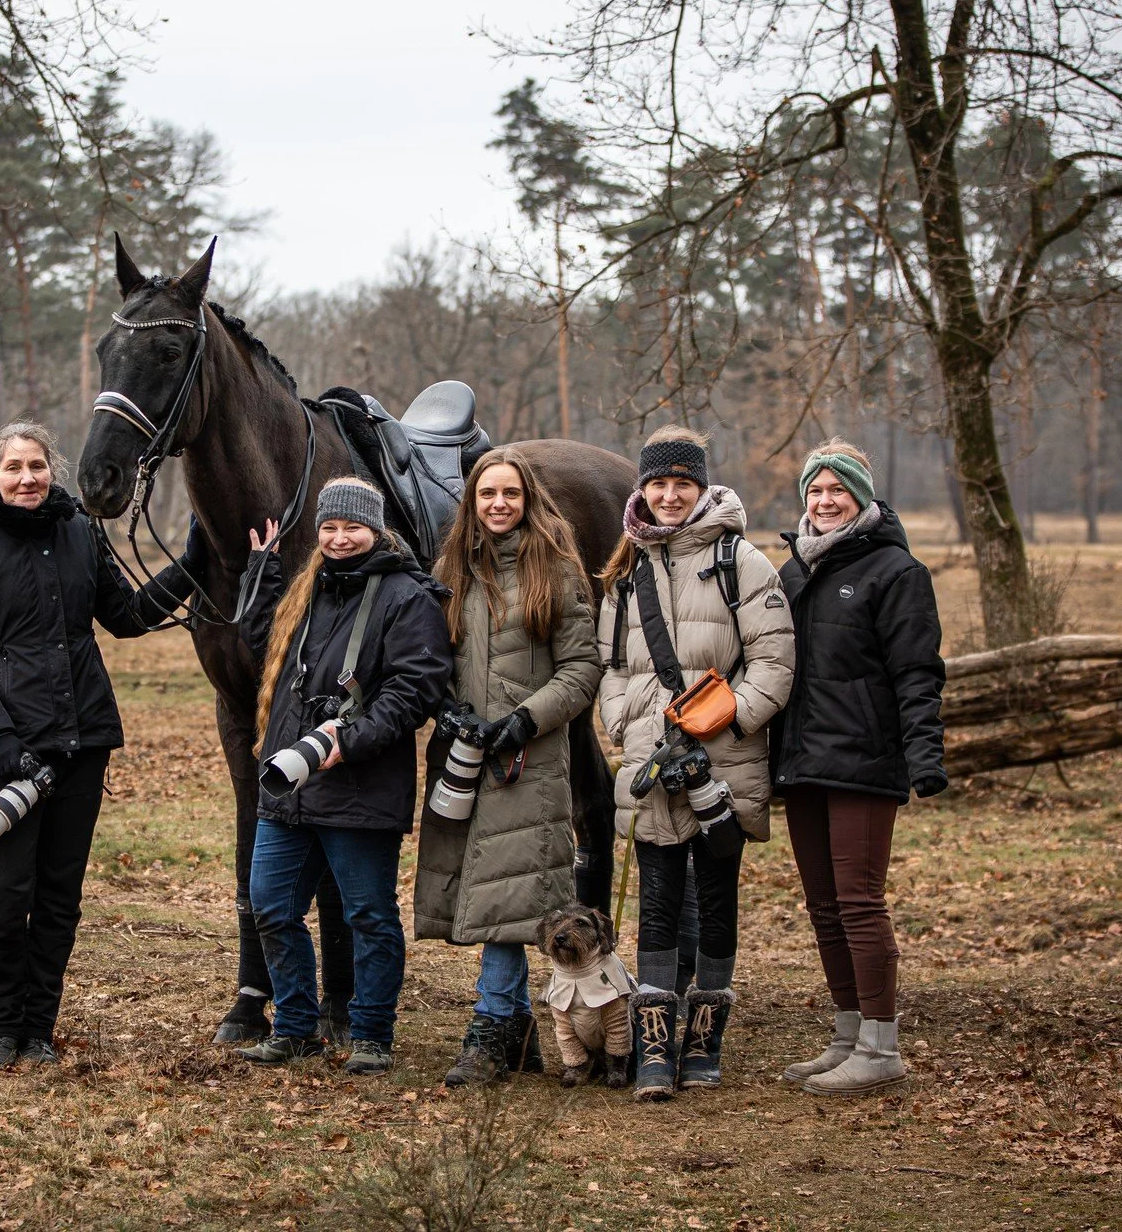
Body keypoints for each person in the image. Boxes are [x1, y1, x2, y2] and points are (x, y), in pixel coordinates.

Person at [0, 422, 201, 1069]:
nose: (27, 477)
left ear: (53, 468)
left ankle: (38, 1028)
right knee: (4, 889)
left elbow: (127, 616)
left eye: (38, 465)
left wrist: (196, 563)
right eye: (14, 466)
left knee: (60, 893)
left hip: (84, 739)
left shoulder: (80, 530)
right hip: (9, 749)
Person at [597, 426, 794, 1099]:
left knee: (714, 899)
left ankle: (703, 1041)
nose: (671, 494)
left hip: (725, 763)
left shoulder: (745, 563)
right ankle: (654, 1047)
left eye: (683, 483)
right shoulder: (625, 570)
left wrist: (727, 718)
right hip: (652, 760)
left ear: (702, 486)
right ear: (643, 490)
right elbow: (611, 665)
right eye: (659, 483)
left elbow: (774, 661)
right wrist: (625, 717)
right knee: (655, 901)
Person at [236, 476, 453, 1076]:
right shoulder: (307, 591)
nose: (338, 538)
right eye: (328, 527)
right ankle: (298, 1027)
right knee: (271, 907)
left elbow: (417, 687)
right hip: (289, 785)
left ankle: (372, 1034)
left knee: (368, 915)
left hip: (360, 784)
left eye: (352, 527)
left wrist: (348, 743)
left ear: (376, 530)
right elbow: (262, 650)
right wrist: (262, 574)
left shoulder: (408, 596)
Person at [415, 448, 602, 1085]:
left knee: (507, 896)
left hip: (527, 761)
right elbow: (431, 656)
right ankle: (514, 1026)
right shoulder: (451, 569)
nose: (499, 505)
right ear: (472, 502)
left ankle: (492, 1028)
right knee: (493, 893)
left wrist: (525, 718)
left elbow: (582, 671)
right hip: (466, 760)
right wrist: (445, 710)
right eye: (488, 494)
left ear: (529, 501)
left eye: (511, 495)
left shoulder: (557, 569)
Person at [770, 439, 946, 1096]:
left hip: (865, 762)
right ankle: (846, 1034)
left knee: (859, 902)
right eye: (815, 491)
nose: (824, 501)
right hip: (805, 762)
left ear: (862, 495)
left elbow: (917, 673)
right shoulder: (794, 574)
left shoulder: (896, 572)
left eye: (836, 490)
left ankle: (881, 1043)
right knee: (823, 906)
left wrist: (924, 756)